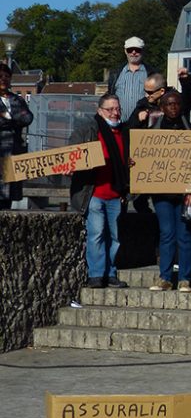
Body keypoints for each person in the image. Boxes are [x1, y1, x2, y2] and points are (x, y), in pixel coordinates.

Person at [139, 91, 191, 292]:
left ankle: (184, 278)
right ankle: (165, 277)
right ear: (162, 107)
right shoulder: (151, 134)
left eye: (176, 103)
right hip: (162, 194)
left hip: (186, 194)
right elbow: (142, 156)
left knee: (185, 235)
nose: (173, 107)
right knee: (167, 234)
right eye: (169, 104)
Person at [67, 94, 129, 288]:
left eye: (117, 109)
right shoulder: (86, 130)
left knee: (115, 237)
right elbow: (72, 154)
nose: (115, 113)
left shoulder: (126, 133)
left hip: (116, 194)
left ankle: (110, 273)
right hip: (93, 193)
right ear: (99, 110)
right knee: (96, 235)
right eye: (110, 109)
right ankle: (96, 274)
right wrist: (70, 165)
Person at [0, 63, 33, 209]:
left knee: (8, 199)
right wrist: (14, 120)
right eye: (0, 76)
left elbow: (28, 118)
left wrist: (7, 119)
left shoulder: (17, 100)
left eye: (7, 76)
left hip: (13, 153)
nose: (4, 79)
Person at [108, 36, 156, 123]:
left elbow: (157, 98)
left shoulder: (151, 73)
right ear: (125, 51)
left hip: (142, 124)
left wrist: (148, 111)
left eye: (137, 50)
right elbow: (110, 96)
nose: (133, 52)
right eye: (130, 50)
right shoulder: (115, 74)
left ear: (142, 51)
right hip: (119, 123)